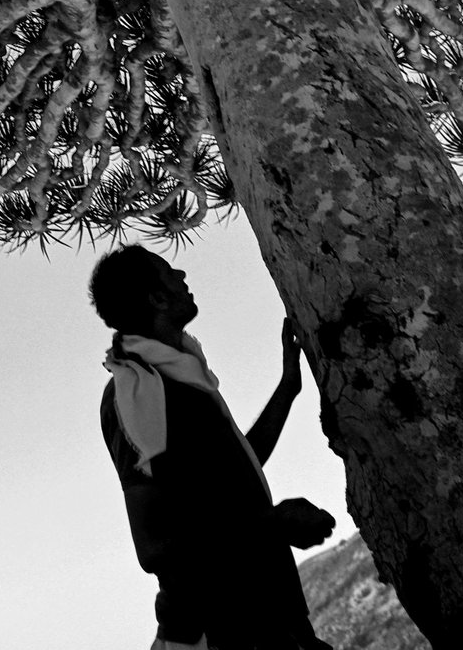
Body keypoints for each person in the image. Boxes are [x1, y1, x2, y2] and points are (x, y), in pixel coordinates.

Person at [91, 245, 341, 650]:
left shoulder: (182, 375)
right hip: (216, 629)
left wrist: (288, 388)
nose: (182, 275)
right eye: (169, 271)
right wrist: (271, 524)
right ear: (157, 298)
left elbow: (239, 467)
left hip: (272, 621)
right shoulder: (136, 391)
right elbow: (153, 549)